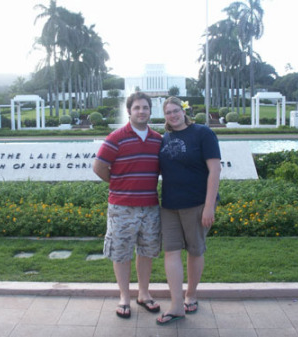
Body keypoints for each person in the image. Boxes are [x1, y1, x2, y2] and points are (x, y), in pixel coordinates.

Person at [93, 92, 162, 319]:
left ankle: (143, 293)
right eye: (137, 108)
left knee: (146, 251)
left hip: (150, 207)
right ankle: (124, 296)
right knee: (121, 253)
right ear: (129, 111)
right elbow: (99, 167)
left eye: (145, 108)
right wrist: (119, 184)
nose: (141, 111)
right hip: (122, 207)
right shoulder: (116, 138)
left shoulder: (158, 139)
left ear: (150, 111)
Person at [156, 96, 221, 325]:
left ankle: (191, 294)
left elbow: (215, 170)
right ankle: (176, 305)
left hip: (197, 203)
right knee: (171, 252)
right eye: (168, 113)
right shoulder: (165, 138)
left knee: (195, 250)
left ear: (184, 112)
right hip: (170, 205)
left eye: (176, 111)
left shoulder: (202, 133)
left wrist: (209, 206)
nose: (172, 115)